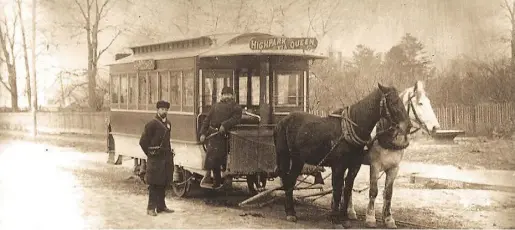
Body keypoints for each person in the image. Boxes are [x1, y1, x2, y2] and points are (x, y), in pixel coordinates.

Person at [199, 86, 242, 189]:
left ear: (232, 96)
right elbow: (207, 120)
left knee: (226, 160)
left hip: (226, 137)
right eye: (224, 94)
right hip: (214, 136)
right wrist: (203, 133)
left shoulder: (236, 107)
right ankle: (216, 181)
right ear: (221, 95)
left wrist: (225, 125)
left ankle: (227, 180)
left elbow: (235, 119)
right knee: (213, 160)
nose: (226, 96)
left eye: (229, 94)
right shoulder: (215, 106)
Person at [139, 100, 175, 216]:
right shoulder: (151, 124)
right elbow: (143, 142)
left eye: (166, 109)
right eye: (162, 109)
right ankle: (150, 208)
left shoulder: (168, 123)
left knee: (163, 182)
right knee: (154, 183)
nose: (164, 111)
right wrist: (150, 153)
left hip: (165, 157)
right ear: (157, 110)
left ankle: (161, 206)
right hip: (155, 158)